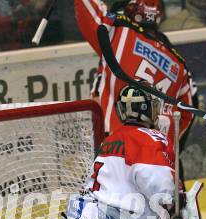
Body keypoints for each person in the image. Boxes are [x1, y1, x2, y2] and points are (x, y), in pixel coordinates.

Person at [62, 84, 175, 219]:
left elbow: (89, 187)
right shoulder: (150, 138)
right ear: (147, 109)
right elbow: (163, 192)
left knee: (74, 213)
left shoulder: (111, 139)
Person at [73, 0, 198, 153]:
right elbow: (189, 110)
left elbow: (88, 9)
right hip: (155, 157)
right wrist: (168, 149)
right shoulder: (179, 65)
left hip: (113, 149)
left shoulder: (118, 32)